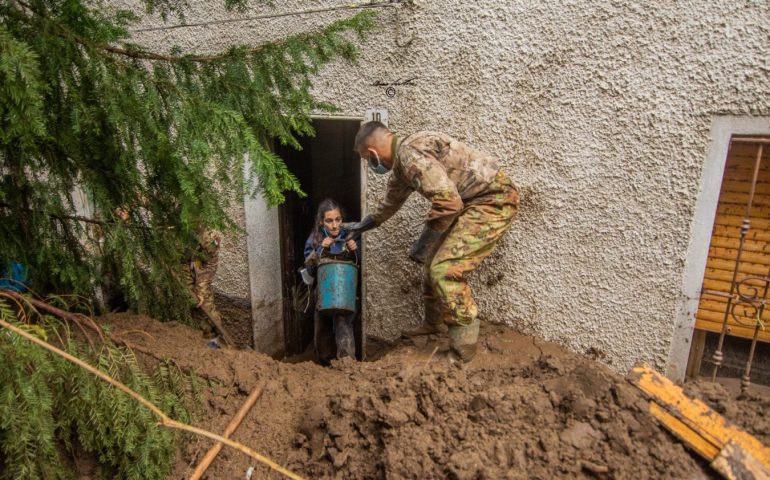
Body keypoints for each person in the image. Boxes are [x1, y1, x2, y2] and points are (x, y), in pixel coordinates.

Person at [346, 122, 520, 363]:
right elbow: (389, 205)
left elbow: (449, 203)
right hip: (472, 203)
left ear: (374, 152)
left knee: (445, 270)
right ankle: (433, 325)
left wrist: (424, 242)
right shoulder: (402, 165)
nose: (370, 163)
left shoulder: (410, 155)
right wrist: (361, 227)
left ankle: (463, 352)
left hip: (493, 201)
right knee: (432, 266)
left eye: (367, 158)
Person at [303, 199, 360, 365]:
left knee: (344, 322)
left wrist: (356, 249)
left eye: (338, 220)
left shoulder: (350, 236)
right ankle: (324, 364)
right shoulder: (315, 239)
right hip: (324, 292)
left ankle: (347, 363)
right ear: (321, 222)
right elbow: (309, 270)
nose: (335, 225)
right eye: (329, 221)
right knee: (322, 328)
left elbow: (359, 266)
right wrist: (321, 249)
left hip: (346, 292)